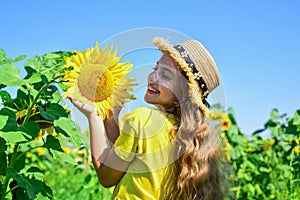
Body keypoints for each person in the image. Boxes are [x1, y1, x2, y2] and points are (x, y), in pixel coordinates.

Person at [68, 37, 230, 200]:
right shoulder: (190, 138)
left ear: (184, 91)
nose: (152, 78)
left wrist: (94, 116)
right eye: (156, 68)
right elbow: (123, 162)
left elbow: (107, 175)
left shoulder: (143, 119)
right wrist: (111, 115)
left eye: (166, 75)